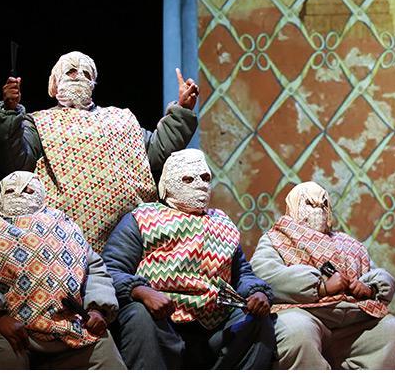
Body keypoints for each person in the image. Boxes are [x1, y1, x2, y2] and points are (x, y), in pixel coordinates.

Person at [0, 51, 199, 252]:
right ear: (55, 83)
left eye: (86, 73)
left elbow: (156, 150)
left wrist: (182, 110)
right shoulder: (39, 123)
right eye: (71, 71)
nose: (78, 75)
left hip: (123, 242)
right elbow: (13, 161)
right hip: (62, 242)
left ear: (93, 83)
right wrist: (9, 112)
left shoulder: (120, 119)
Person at [101, 149, 276, 369]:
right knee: (139, 315)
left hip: (214, 321)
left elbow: (242, 274)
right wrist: (141, 291)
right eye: (188, 179)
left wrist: (256, 292)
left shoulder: (222, 223)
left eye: (205, 178)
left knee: (258, 321)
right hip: (162, 319)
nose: (200, 184)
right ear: (168, 183)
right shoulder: (142, 218)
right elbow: (110, 270)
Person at [0, 171, 126, 369]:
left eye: (28, 190)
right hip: (0, 327)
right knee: (4, 357)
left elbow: (94, 268)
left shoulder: (66, 225)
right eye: (11, 190)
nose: (19, 194)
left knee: (105, 352)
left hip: (66, 326)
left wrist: (97, 309)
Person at [250, 181, 395, 369]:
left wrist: (369, 288)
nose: (318, 209)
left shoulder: (347, 243)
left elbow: (375, 273)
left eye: (323, 204)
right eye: (310, 203)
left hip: (352, 317)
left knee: (390, 330)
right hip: (303, 312)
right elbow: (263, 274)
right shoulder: (276, 239)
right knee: (298, 331)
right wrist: (321, 287)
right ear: (294, 206)